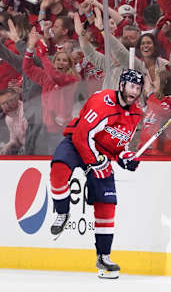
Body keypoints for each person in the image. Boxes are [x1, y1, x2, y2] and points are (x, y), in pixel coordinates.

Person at [49, 69, 144, 279]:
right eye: (131, 86)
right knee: (58, 169)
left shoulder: (136, 114)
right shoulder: (103, 102)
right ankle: (62, 212)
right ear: (121, 85)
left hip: (100, 154)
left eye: (138, 88)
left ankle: (103, 257)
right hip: (77, 142)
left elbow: (119, 146)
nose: (134, 92)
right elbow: (83, 137)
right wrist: (95, 164)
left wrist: (126, 158)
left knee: (107, 203)